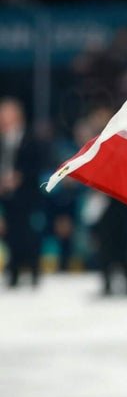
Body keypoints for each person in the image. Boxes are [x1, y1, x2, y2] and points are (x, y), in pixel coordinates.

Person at [0, 97, 50, 288]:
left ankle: (33, 269)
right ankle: (13, 271)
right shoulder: (3, 140)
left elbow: (38, 165)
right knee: (11, 235)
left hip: (27, 196)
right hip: (7, 197)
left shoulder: (31, 139)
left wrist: (20, 176)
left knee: (28, 234)